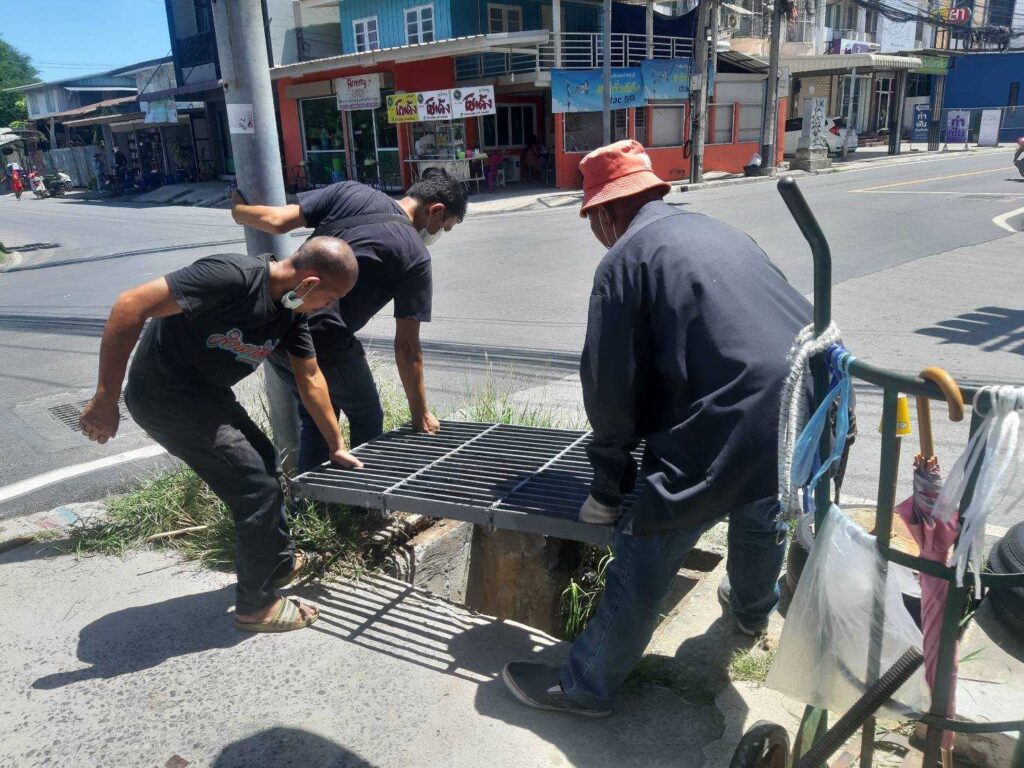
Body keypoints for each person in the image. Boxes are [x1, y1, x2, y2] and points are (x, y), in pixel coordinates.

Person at [501, 140, 813, 717]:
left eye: (592, 218)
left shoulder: (626, 259)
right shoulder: (722, 232)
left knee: (645, 547)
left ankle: (585, 685)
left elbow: (611, 388)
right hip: (805, 398)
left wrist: (608, 487)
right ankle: (751, 614)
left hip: (728, 415)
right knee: (760, 506)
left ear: (605, 212)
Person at [79, 237, 363, 633]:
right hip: (164, 397)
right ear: (310, 283)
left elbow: (310, 377)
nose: (328, 308)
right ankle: (256, 606)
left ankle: (278, 563)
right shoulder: (231, 277)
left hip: (208, 397)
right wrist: (105, 398)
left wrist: (336, 445)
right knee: (256, 488)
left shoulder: (290, 314)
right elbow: (130, 305)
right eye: (330, 299)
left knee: (266, 460)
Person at [229, 169, 468, 472]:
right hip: (326, 337)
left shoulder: (350, 192)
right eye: (444, 227)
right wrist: (419, 413)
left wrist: (238, 211)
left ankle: (312, 496)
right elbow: (407, 347)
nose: (438, 234)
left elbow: (276, 221)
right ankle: (363, 495)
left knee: (317, 418)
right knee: (366, 414)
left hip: (278, 325)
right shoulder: (416, 256)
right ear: (435, 210)